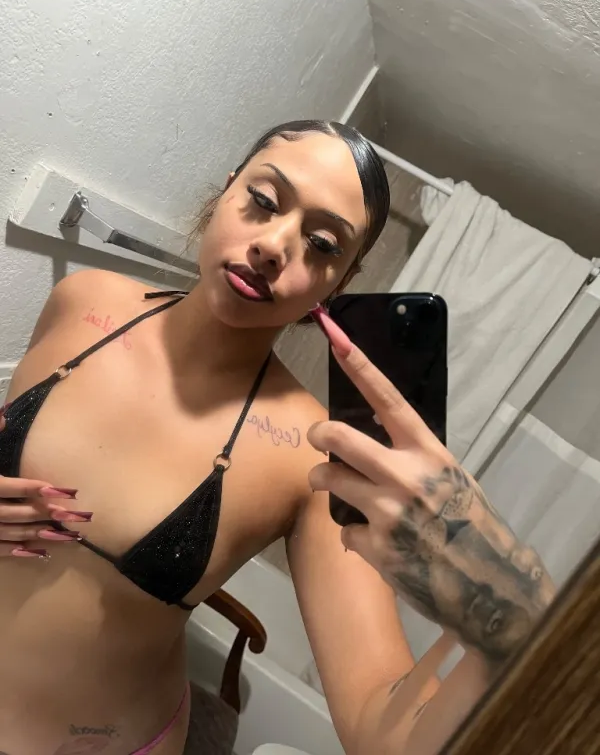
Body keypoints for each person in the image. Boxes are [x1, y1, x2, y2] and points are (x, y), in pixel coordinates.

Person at [0, 120, 554, 755]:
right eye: (263, 201)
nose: (274, 246)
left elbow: (379, 729)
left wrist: (514, 614)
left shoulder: (317, 454)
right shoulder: (82, 300)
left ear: (338, 284)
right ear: (225, 191)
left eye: (321, 244)